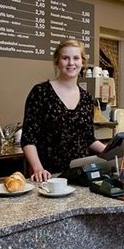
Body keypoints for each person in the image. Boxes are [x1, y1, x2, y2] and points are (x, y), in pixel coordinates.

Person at [21, 40, 106, 182]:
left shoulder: (86, 98)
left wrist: (111, 152)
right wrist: (38, 168)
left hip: (81, 173)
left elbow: (88, 138)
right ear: (57, 62)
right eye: (65, 58)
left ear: (83, 62)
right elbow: (28, 138)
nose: (71, 63)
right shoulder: (41, 92)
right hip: (49, 175)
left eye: (76, 58)